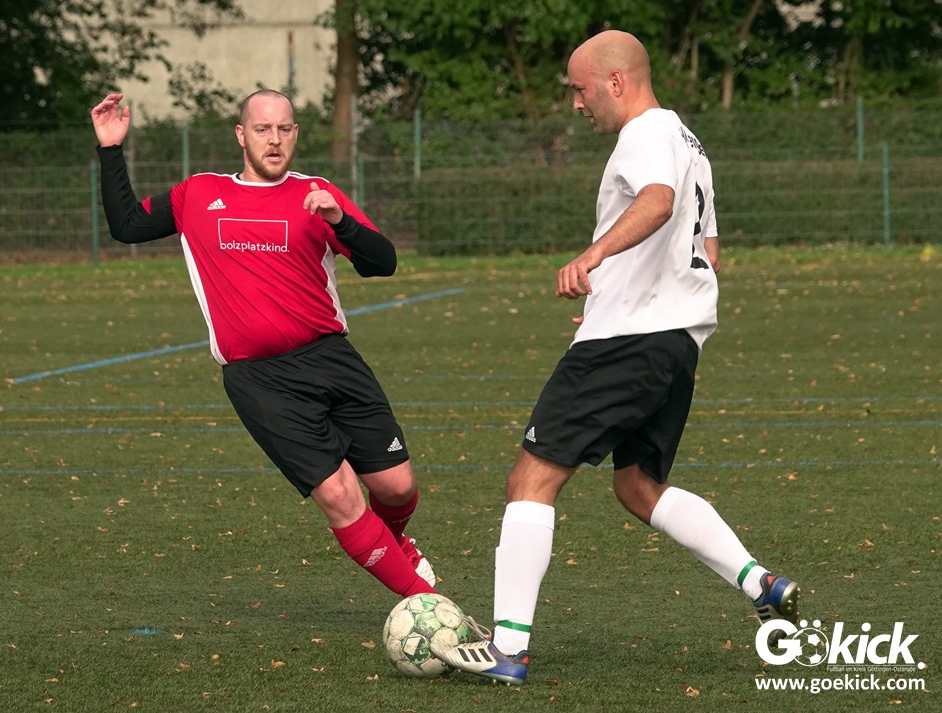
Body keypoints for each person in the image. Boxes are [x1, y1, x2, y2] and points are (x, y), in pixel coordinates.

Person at [431, 30, 799, 685]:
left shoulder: (645, 133)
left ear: (616, 82)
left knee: (530, 481)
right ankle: (759, 582)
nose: (576, 104)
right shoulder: (688, 139)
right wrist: (621, 295)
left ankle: (508, 649)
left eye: (580, 89)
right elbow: (709, 252)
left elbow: (657, 202)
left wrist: (594, 259)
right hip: (674, 344)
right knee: (637, 487)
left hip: (627, 341)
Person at [90, 90, 437, 600]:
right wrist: (110, 149)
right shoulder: (198, 194)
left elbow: (383, 262)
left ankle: (396, 542)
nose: (274, 139)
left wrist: (339, 221)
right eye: (262, 129)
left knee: (397, 487)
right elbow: (126, 226)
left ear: (295, 134)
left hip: (331, 357)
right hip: (259, 379)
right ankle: (429, 607)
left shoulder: (317, 193)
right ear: (241, 135)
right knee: (341, 496)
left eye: (284, 129)